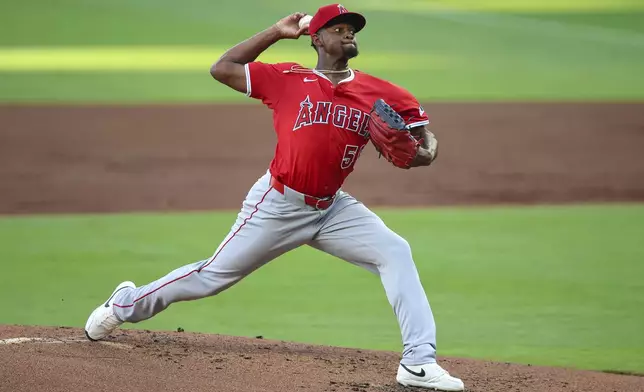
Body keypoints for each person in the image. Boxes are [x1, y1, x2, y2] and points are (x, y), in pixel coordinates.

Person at [84, 4, 464, 391]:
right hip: (278, 204)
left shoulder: (381, 92)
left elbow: (422, 134)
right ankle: (124, 304)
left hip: (333, 208)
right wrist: (275, 32)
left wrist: (427, 150)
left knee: (395, 251)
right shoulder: (285, 77)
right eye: (337, 28)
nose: (348, 34)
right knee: (210, 277)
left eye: (351, 28)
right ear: (315, 38)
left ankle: (418, 361)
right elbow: (222, 68)